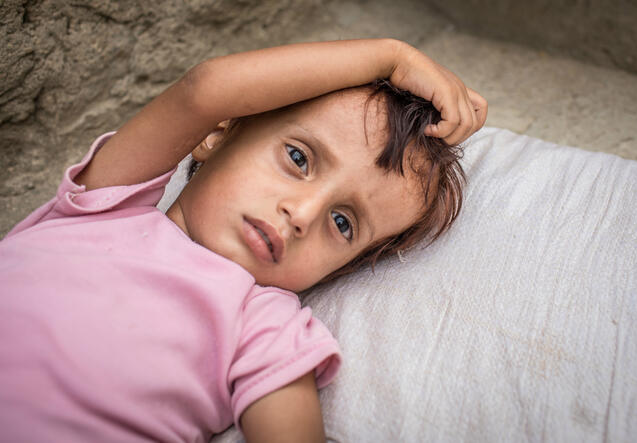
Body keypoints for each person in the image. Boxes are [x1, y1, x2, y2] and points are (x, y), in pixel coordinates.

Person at [0, 39, 487, 442]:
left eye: (343, 224)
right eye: (298, 158)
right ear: (217, 133)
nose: (302, 214)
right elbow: (205, 89)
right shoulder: (105, 206)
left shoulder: (265, 328)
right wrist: (391, 58)